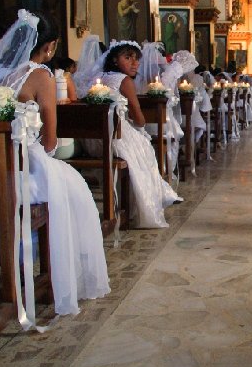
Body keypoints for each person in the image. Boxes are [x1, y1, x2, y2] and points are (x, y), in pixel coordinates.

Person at [0, 10, 109, 316]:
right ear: (51, 46)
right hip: (16, 169)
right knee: (72, 189)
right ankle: (55, 277)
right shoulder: (41, 76)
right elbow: (51, 141)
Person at [75, 39, 182, 228]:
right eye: (128, 58)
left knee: (141, 147)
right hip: (114, 138)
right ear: (115, 60)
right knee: (145, 151)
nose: (135, 63)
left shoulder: (95, 78)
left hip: (91, 139)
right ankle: (136, 204)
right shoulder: (124, 81)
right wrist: (137, 124)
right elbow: (139, 118)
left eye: (136, 58)